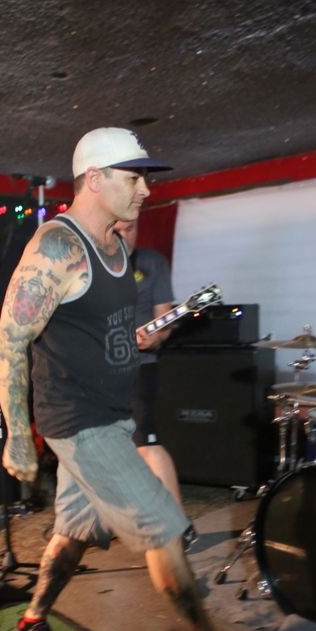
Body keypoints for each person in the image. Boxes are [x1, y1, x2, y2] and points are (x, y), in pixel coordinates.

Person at [0, 126, 283, 631]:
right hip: (77, 423)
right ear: (94, 180)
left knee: (73, 534)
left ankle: (30, 622)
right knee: (165, 527)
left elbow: (111, 332)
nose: (146, 190)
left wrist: (143, 337)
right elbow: (10, 340)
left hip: (112, 415)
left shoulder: (118, 250)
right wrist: (18, 437)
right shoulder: (58, 248)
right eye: (134, 178)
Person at [115, 219, 197, 550]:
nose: (126, 235)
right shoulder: (91, 266)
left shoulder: (151, 263)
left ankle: (181, 525)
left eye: (132, 228)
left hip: (140, 367)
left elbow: (166, 323)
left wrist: (156, 337)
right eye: (119, 229)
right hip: (99, 372)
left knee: (146, 443)